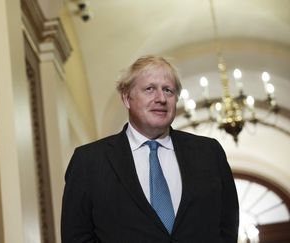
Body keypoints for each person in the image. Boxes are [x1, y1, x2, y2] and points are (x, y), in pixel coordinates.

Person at [61, 55, 239, 242]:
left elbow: (227, 225)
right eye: (149, 89)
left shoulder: (209, 153)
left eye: (168, 90)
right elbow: (76, 237)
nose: (161, 98)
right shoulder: (89, 161)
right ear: (126, 98)